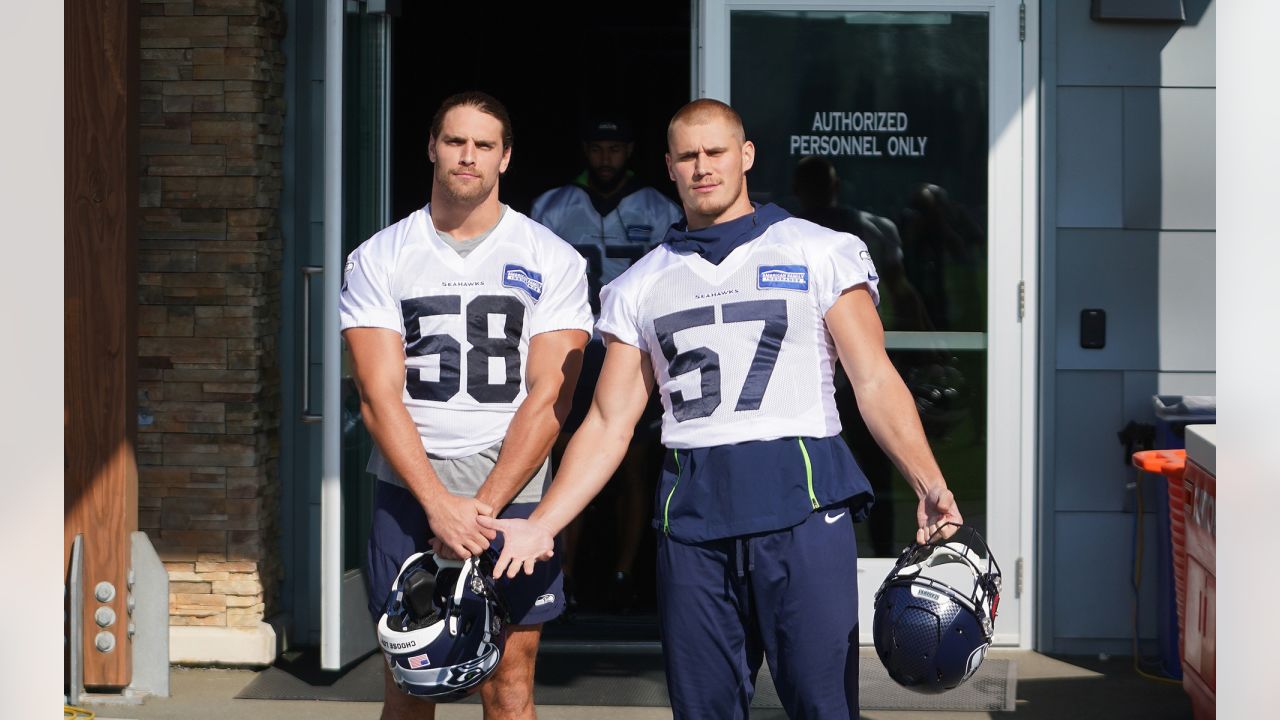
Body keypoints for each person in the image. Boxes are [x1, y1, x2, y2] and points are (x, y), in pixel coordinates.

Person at [480, 99, 963, 719]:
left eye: (715, 152)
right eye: (688, 156)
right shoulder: (640, 284)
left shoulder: (820, 250)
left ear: (745, 156)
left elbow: (873, 380)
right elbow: (607, 424)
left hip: (803, 504)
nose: (702, 166)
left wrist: (930, 483)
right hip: (695, 519)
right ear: (670, 168)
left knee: (823, 707)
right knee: (704, 710)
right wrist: (544, 523)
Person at [339, 91, 592, 720]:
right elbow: (377, 394)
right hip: (411, 478)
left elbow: (549, 397)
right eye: (455, 141)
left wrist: (478, 510)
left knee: (509, 681)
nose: (468, 156)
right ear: (432, 147)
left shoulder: (551, 256)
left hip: (514, 483)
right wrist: (436, 504)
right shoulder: (381, 256)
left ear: (505, 157)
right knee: (411, 676)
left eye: (484, 145)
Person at [531, 114, 684, 611]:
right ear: (585, 151)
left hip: (632, 346)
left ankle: (623, 572)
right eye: (597, 148)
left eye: (614, 150)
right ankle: (567, 574)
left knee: (634, 464)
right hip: (573, 344)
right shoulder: (553, 205)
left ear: (630, 151)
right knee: (568, 459)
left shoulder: (658, 207)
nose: (605, 158)